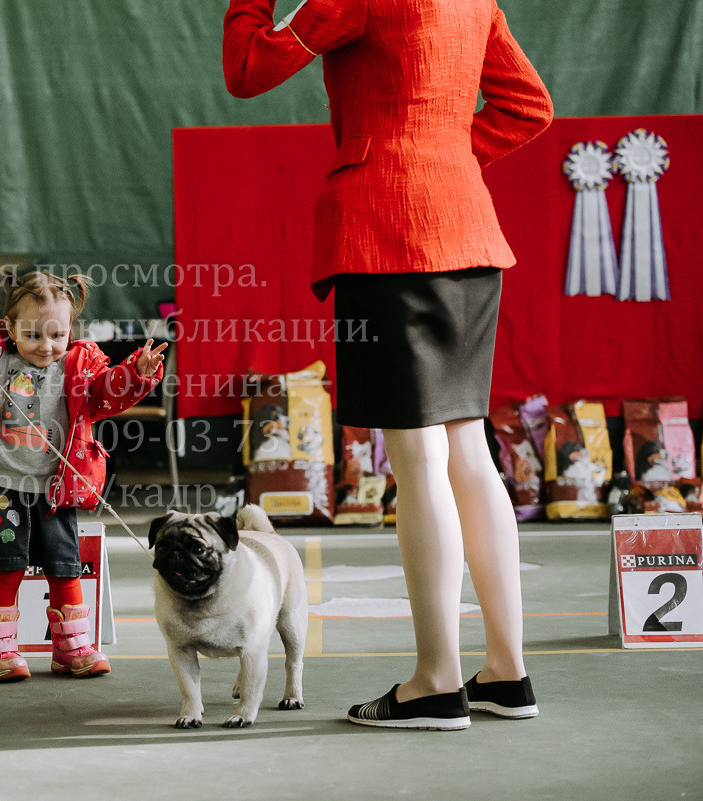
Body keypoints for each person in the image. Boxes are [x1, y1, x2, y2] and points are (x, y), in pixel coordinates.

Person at [224, 0, 553, 729]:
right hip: (467, 229)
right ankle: (507, 672)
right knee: (469, 452)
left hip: (387, 230)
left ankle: (435, 681)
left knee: (419, 458)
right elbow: (530, 106)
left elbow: (248, 70)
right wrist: (447, 156)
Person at [0, 269, 166, 681]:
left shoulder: (77, 367)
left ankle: (73, 648)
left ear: (70, 329)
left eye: (57, 335)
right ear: (9, 327)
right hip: (1, 486)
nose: (46, 345)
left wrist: (138, 372)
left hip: (55, 491)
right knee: (6, 569)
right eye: (33, 335)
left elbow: (108, 392)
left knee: (66, 568)